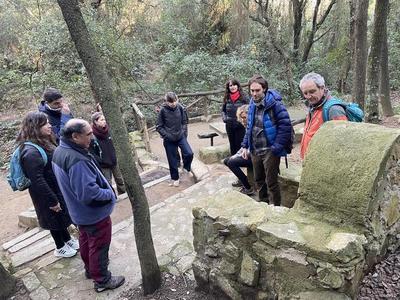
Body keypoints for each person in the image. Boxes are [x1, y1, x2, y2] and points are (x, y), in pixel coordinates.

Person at [52, 119, 125, 293]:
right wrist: (109, 194)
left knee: (85, 240)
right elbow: (89, 194)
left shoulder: (60, 151)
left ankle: (90, 270)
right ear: (75, 136)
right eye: (89, 134)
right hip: (93, 215)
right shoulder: (77, 160)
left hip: (79, 213)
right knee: (99, 245)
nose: (92, 138)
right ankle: (102, 280)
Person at [18, 112, 78, 258]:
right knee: (53, 220)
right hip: (45, 193)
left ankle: (67, 240)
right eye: (45, 123)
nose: (49, 125)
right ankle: (59, 247)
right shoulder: (30, 152)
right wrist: (52, 200)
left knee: (60, 217)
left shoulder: (43, 141)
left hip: (54, 187)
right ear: (35, 127)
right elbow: (37, 180)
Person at [241, 75, 292, 205]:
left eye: (257, 90)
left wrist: (276, 147)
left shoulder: (275, 104)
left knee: (271, 182)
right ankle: (263, 205)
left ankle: (275, 209)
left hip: (270, 148)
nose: (254, 93)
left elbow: (285, 126)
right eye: (252, 91)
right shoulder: (252, 103)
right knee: (259, 180)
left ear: (264, 89)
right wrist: (245, 145)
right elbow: (249, 125)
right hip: (255, 148)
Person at [299, 72, 348, 159]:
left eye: (312, 91)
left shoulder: (334, 110)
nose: (308, 96)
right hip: (309, 161)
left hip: (321, 163)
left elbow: (342, 141)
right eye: (305, 93)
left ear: (322, 88)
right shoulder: (313, 106)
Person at [156, 92, 193, 187]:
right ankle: (175, 178)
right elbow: (159, 127)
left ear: (177, 99)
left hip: (180, 136)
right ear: (166, 101)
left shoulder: (180, 107)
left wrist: (183, 132)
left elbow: (184, 121)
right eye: (170, 102)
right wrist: (167, 136)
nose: (173, 103)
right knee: (172, 160)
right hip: (169, 139)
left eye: (174, 101)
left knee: (189, 153)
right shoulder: (162, 111)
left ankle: (186, 168)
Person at [89, 112, 126, 195]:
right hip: (103, 164)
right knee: (107, 182)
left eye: (104, 119)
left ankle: (123, 194)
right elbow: (91, 151)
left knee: (120, 179)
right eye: (102, 120)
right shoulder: (92, 135)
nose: (104, 121)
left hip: (114, 160)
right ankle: (111, 197)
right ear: (95, 122)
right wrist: (100, 160)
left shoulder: (109, 130)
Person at [223, 105, 254, 195]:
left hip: (257, 158)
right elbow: (244, 146)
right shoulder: (247, 127)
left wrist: (242, 155)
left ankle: (248, 187)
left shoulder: (254, 127)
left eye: (244, 117)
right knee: (227, 161)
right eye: (241, 118)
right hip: (249, 154)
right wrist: (236, 155)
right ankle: (242, 180)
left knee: (231, 162)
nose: (243, 120)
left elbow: (255, 148)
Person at [222, 79, 249, 156]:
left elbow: (249, 109)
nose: (232, 87)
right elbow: (223, 110)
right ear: (228, 87)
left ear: (237, 86)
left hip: (240, 124)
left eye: (234, 85)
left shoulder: (244, 97)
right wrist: (225, 118)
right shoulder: (227, 98)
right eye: (230, 85)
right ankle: (233, 159)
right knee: (232, 143)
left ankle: (241, 159)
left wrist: (244, 120)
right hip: (229, 124)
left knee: (240, 143)